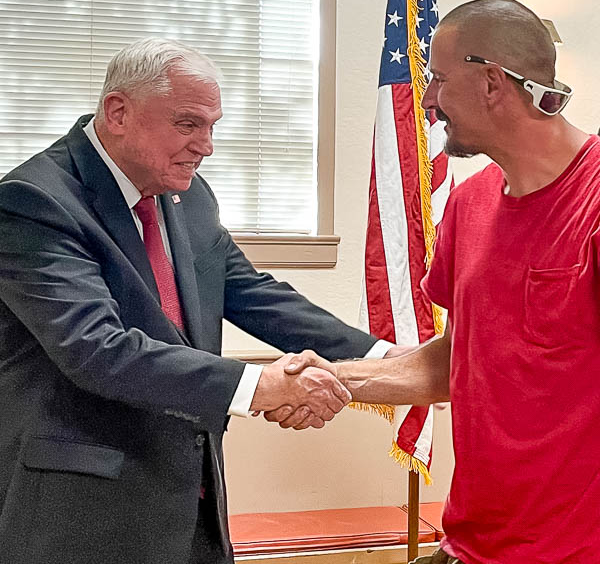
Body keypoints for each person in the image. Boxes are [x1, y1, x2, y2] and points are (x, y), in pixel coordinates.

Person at [0, 38, 395, 564]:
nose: (206, 145)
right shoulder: (35, 201)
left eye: (213, 126)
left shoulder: (188, 194)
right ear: (118, 112)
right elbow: (97, 350)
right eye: (188, 124)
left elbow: (251, 292)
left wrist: (383, 358)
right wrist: (261, 385)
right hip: (83, 517)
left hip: (191, 505)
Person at [279, 0, 600, 563]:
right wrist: (336, 380)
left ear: (493, 84)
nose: (427, 101)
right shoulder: (470, 205)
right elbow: (457, 360)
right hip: (469, 545)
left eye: (439, 79)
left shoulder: (591, 199)